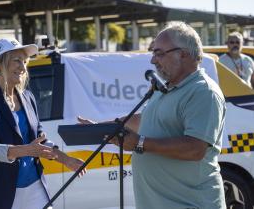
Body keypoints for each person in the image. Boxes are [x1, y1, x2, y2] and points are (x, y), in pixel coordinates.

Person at [79, 21, 226, 209]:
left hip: (190, 204)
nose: (153, 60)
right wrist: (102, 127)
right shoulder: (164, 86)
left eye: (159, 53)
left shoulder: (203, 92)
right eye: (153, 53)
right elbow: (145, 121)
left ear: (183, 53)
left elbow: (195, 148)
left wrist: (140, 144)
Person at [0, 38, 86, 209]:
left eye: (24, 62)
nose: (23, 68)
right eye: (16, 61)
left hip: (34, 185)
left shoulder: (28, 97)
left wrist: (65, 159)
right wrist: (26, 150)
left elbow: (39, 139)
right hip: (0, 190)